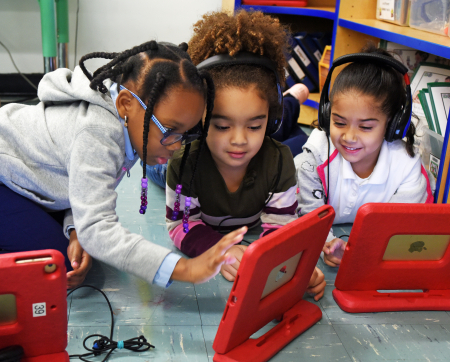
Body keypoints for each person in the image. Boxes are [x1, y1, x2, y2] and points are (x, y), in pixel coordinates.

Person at [0, 40, 249, 289]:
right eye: (170, 131)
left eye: (185, 134)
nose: (176, 146)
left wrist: (75, 227)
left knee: (71, 256)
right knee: (54, 268)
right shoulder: (99, 131)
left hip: (24, 180)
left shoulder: (129, 123)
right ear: (125, 104)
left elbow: (72, 178)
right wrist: (185, 268)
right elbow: (97, 226)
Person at [165, 10, 326, 301]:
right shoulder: (184, 164)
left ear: (269, 118)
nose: (239, 140)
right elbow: (181, 225)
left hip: (271, 148)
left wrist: (288, 266)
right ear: (199, 118)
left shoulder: (279, 162)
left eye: (254, 125)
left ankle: (289, 103)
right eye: (222, 125)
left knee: (295, 141)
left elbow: (280, 227)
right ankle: (295, 98)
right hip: (183, 161)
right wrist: (221, 249)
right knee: (160, 163)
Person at [294, 44, 434, 267]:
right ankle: (291, 103)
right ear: (326, 115)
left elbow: (405, 225)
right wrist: (326, 244)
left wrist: (362, 249)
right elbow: (308, 220)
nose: (349, 136)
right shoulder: (315, 160)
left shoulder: (406, 165)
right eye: (339, 123)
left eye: (366, 127)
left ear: (393, 124)